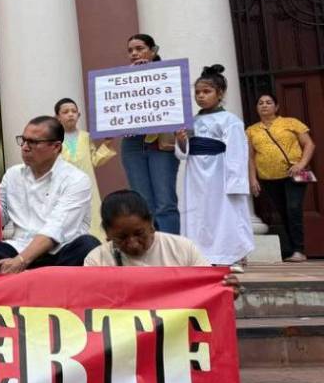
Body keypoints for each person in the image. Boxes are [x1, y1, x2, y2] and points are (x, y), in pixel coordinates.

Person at [0, 116, 100, 272]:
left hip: (59, 253)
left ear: (56, 147)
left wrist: (21, 261)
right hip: (18, 248)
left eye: (33, 142)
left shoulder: (76, 179)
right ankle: (36, 276)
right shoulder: (12, 175)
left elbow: (56, 229)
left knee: (89, 246)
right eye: (23, 140)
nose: (25, 147)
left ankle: (25, 275)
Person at [84, 190, 240, 297]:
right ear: (107, 234)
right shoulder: (96, 260)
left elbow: (209, 288)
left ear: (151, 224)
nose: (133, 244)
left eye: (139, 234)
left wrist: (224, 290)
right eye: (121, 238)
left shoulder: (183, 248)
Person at [175, 65, 254, 268]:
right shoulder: (191, 121)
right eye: (198, 92)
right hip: (195, 174)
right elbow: (183, 152)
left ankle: (232, 255)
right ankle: (202, 256)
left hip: (220, 172)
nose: (201, 96)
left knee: (225, 213)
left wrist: (236, 182)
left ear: (220, 94)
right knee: (199, 214)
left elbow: (237, 153)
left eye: (206, 92)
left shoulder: (230, 120)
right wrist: (182, 140)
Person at [118, 33, 180, 234]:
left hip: (160, 144)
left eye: (140, 49)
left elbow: (175, 106)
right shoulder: (119, 79)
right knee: (142, 201)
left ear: (153, 51)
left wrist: (151, 73)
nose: (134, 54)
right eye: (130, 51)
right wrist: (129, 78)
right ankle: (150, 248)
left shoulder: (168, 75)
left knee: (165, 202)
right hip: (133, 144)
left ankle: (170, 249)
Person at [247, 93, 315, 263]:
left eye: (269, 102)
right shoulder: (251, 130)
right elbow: (250, 157)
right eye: (260, 103)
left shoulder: (291, 123)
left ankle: (299, 250)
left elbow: (309, 144)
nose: (264, 105)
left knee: (293, 208)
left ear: (276, 107)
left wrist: (301, 164)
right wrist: (253, 179)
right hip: (268, 178)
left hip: (294, 174)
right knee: (283, 212)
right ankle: (294, 249)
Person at [55, 98, 115, 241]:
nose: (70, 114)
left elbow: (94, 160)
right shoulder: (53, 139)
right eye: (65, 112)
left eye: (74, 111)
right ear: (57, 117)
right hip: (63, 188)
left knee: (93, 220)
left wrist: (107, 143)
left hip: (88, 188)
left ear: (79, 115)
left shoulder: (85, 137)